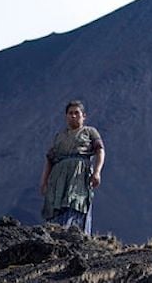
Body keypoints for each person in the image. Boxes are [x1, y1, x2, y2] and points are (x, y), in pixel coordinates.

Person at [40, 100, 105, 234]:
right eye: (70, 113)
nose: (73, 116)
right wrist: (44, 182)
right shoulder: (59, 136)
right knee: (55, 205)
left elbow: (100, 150)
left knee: (75, 201)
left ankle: (74, 234)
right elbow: (50, 160)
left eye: (77, 113)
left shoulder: (90, 132)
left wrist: (97, 172)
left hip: (78, 175)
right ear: (66, 116)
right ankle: (54, 235)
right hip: (58, 178)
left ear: (83, 116)